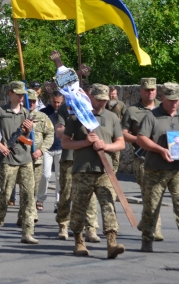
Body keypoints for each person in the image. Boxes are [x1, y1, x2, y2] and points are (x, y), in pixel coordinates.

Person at [136, 82, 179, 254]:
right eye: (171, 100)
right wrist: (160, 149)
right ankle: (147, 239)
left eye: (177, 100)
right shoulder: (152, 116)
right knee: (151, 206)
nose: (174, 103)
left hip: (178, 169)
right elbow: (141, 139)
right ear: (162, 98)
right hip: (155, 169)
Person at [62, 84, 125, 259]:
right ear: (90, 97)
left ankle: (112, 243)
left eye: (105, 100)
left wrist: (105, 146)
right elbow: (66, 143)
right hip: (82, 170)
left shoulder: (112, 118)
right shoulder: (77, 118)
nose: (102, 103)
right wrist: (85, 142)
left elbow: (121, 143)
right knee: (79, 208)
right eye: (99, 100)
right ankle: (79, 241)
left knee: (108, 206)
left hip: (105, 170)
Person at [0, 81, 38, 244]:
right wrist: (0, 145)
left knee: (29, 196)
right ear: (10, 93)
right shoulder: (1, 110)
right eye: (18, 93)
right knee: (5, 196)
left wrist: (29, 130)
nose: (21, 96)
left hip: (25, 159)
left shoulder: (25, 112)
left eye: (23, 94)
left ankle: (27, 232)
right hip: (8, 159)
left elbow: (29, 138)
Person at [55, 92, 100, 243]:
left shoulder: (90, 109)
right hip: (70, 156)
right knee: (66, 192)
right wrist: (73, 125)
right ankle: (63, 223)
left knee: (90, 195)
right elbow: (59, 132)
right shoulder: (64, 109)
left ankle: (91, 228)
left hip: (88, 158)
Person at [122, 77, 163, 241]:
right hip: (142, 158)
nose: (150, 92)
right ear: (140, 91)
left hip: (161, 157)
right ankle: (151, 225)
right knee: (148, 194)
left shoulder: (163, 107)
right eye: (147, 90)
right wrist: (139, 140)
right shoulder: (132, 111)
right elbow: (123, 134)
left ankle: (150, 225)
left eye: (153, 89)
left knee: (156, 194)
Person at [26, 89, 54, 217]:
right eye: (29, 101)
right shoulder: (18, 115)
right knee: (24, 188)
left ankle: (29, 213)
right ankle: (27, 214)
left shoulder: (42, 117)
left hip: (37, 159)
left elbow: (49, 135)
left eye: (33, 101)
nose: (31, 104)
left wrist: (41, 150)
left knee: (34, 188)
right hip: (22, 159)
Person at [37, 91, 64, 212]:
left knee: (59, 177)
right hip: (47, 148)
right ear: (50, 99)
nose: (56, 104)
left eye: (59, 102)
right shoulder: (43, 112)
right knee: (45, 175)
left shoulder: (65, 112)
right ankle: (40, 198)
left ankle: (58, 202)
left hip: (61, 148)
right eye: (54, 102)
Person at [105, 86, 126, 171]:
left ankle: (114, 172)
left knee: (116, 155)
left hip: (117, 131)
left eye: (114, 94)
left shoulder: (121, 104)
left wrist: (120, 120)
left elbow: (125, 117)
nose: (113, 95)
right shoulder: (105, 104)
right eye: (111, 94)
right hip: (107, 131)